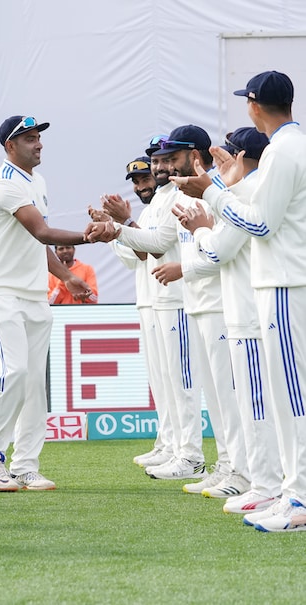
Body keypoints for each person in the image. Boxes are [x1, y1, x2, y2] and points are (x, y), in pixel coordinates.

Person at [174, 70, 306, 532]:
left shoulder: (285, 150)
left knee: (290, 398)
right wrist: (222, 190)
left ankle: (299, 496)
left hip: (285, 283)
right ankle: (291, 492)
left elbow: (261, 224)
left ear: (254, 105)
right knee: (283, 397)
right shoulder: (289, 147)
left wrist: (212, 193)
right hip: (279, 283)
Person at [0, 115, 97, 492]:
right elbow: (41, 231)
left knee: (35, 383)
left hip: (32, 292)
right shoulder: (3, 184)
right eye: (28, 139)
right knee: (15, 371)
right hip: (0, 289)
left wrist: (68, 276)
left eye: (38, 137)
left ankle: (25, 465)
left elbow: (34, 243)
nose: (38, 144)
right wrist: (92, 236)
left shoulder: (36, 182)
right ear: (10, 147)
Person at [173, 126, 282, 515]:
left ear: (241, 160)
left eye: (226, 158)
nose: (220, 165)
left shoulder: (244, 196)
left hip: (248, 317)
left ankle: (263, 482)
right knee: (250, 404)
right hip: (242, 315)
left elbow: (218, 251)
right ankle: (262, 481)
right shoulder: (236, 196)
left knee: (255, 405)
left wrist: (200, 231)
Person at [89, 154, 174, 469]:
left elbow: (147, 249)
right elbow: (133, 258)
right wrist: (111, 231)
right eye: (137, 183)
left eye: (145, 179)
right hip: (149, 300)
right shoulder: (150, 211)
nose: (141, 187)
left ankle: (181, 448)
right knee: (160, 379)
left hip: (168, 301)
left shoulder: (163, 208)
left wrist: (120, 224)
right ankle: (166, 443)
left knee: (173, 380)